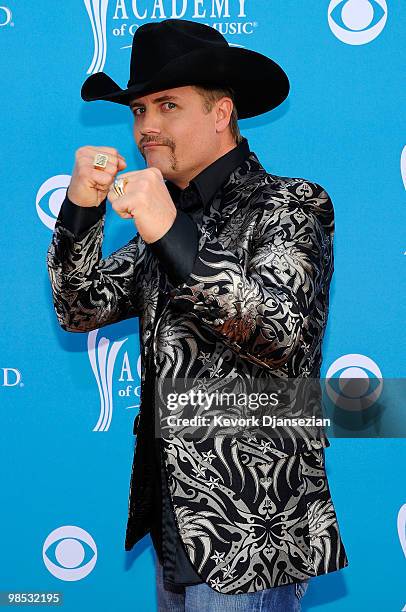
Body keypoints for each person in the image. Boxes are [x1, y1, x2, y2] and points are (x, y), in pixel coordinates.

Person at [47, 18, 349, 611]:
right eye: (138, 110)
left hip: (248, 532)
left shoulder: (291, 203)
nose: (146, 126)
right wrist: (81, 208)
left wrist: (167, 230)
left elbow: (280, 334)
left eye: (166, 105)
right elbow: (77, 306)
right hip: (170, 525)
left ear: (221, 114)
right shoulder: (168, 218)